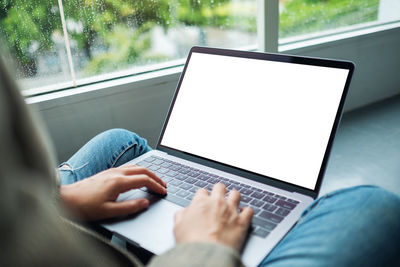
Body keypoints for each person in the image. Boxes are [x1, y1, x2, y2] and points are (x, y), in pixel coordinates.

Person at [0, 52, 399, 267]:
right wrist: (203, 247)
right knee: (372, 207)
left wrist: (57, 201)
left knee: (121, 144)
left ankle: (143, 234)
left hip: (42, 214)